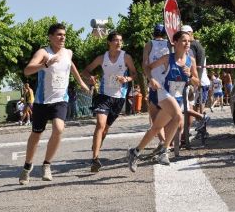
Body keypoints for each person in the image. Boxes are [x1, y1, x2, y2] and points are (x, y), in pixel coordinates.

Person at [19, 23, 90, 185]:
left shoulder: (68, 52)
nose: (62, 37)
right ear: (50, 37)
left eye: (64, 35)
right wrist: (45, 64)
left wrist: (80, 82)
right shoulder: (43, 52)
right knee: (36, 134)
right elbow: (27, 70)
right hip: (42, 102)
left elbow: (70, 65)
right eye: (59, 34)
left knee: (59, 128)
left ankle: (46, 164)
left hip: (60, 99)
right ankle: (27, 166)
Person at [128, 30, 200, 172]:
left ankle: (134, 152)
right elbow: (148, 68)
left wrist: (190, 75)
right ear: (176, 43)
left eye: (189, 41)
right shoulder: (168, 58)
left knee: (155, 128)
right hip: (164, 92)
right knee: (179, 116)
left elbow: (197, 82)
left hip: (177, 96)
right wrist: (152, 79)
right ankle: (164, 151)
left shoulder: (190, 61)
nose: (187, 44)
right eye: (184, 41)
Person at [82, 31, 137, 172]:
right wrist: (91, 78)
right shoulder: (102, 58)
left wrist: (126, 79)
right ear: (109, 42)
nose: (119, 43)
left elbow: (134, 73)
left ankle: (97, 145)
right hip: (103, 96)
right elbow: (86, 71)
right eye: (115, 40)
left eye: (120, 40)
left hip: (119, 97)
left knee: (105, 129)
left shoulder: (126, 57)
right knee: (100, 125)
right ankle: (95, 159)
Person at [142, 23, 170, 153]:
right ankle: (166, 143)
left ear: (153, 32)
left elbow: (145, 64)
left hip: (155, 84)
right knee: (168, 114)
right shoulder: (170, 44)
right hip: (168, 83)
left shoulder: (149, 44)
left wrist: (149, 78)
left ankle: (164, 142)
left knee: (154, 116)